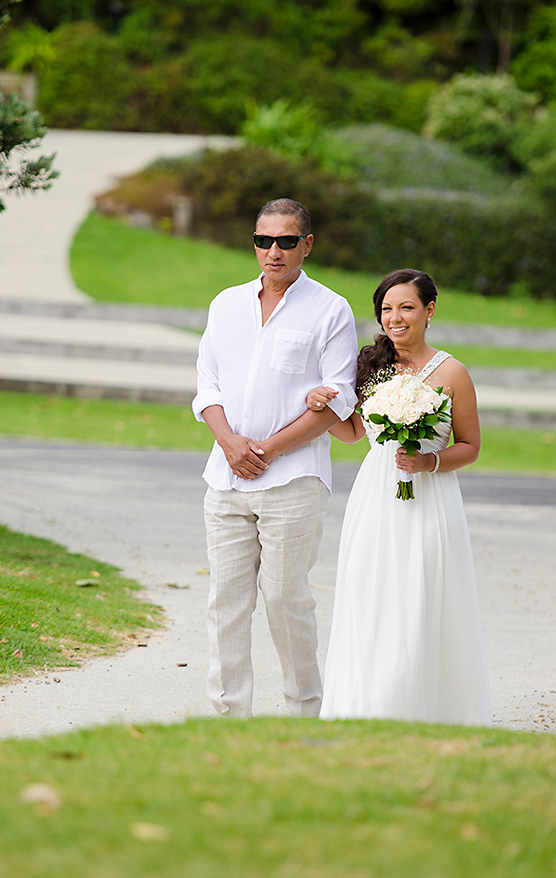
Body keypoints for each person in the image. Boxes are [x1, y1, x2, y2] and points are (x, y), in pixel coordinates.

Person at [192, 198, 358, 718]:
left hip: (294, 481)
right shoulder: (225, 304)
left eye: (287, 241)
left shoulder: (330, 309)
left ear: (306, 244)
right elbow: (206, 387)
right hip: (225, 481)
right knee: (226, 602)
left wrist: (264, 450)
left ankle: (302, 712)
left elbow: (340, 401)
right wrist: (231, 445)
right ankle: (228, 716)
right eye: (264, 240)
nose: (274, 251)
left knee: (287, 602)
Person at [308, 269, 491, 725]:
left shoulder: (452, 373)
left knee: (421, 591)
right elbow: (354, 433)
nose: (395, 318)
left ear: (429, 311)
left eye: (406, 307)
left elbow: (469, 445)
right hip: (375, 495)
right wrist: (322, 408)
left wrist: (428, 462)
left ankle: (424, 705)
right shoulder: (370, 365)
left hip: (430, 496)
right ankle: (366, 703)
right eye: (387, 309)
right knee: (370, 590)